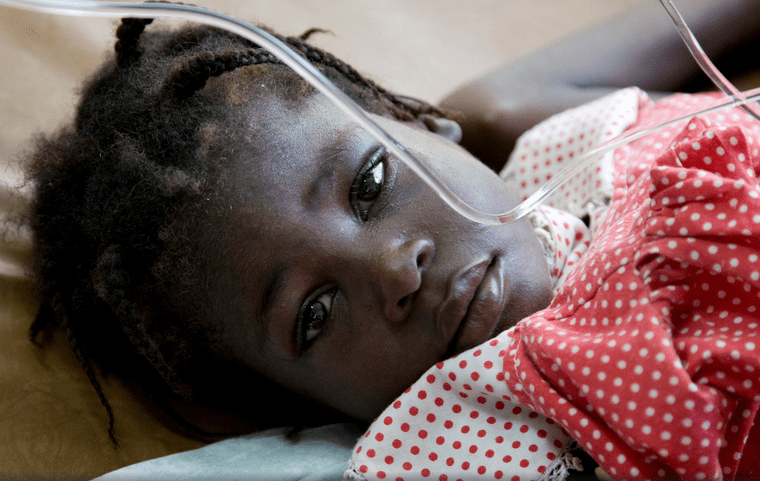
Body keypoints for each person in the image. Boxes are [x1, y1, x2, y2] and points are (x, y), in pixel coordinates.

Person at [22, 0, 760, 477]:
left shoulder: (540, 131)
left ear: (416, 120)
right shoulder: (457, 450)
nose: (394, 270)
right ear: (299, 400)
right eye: (314, 313)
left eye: (371, 183)